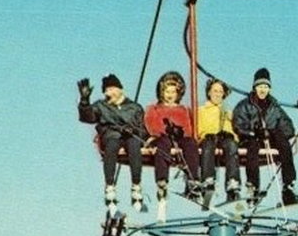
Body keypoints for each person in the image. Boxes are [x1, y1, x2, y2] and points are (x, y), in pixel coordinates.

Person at [77, 74, 149, 212]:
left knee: (134, 146)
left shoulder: (134, 108)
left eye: (111, 89)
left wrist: (134, 130)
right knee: (112, 146)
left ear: (120, 89)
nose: (108, 93)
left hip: (130, 135)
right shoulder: (101, 106)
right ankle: (109, 186)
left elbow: (143, 130)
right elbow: (87, 117)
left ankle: (136, 186)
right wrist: (84, 101)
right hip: (112, 134)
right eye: (106, 91)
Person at [232, 67, 298, 205]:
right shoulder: (245, 105)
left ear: (269, 88)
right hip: (252, 139)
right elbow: (238, 124)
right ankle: (253, 185)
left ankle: (288, 185)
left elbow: (288, 126)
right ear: (254, 87)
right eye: (259, 86)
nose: (262, 90)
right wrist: (253, 131)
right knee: (252, 147)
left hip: (270, 139)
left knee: (283, 142)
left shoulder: (274, 107)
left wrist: (272, 132)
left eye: (265, 87)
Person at [144, 71, 202, 215]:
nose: (169, 95)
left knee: (190, 143)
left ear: (178, 93)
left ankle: (193, 180)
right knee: (162, 145)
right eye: (166, 91)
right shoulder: (155, 109)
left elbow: (188, 128)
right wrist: (160, 132)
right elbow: (151, 124)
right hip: (163, 137)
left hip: (179, 138)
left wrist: (180, 132)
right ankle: (162, 180)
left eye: (173, 92)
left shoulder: (183, 110)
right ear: (161, 92)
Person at [197, 77, 241, 199]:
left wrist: (232, 135)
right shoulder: (202, 110)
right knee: (208, 145)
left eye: (220, 92)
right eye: (215, 91)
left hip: (224, 137)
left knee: (231, 146)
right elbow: (198, 127)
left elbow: (234, 129)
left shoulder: (227, 111)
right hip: (209, 137)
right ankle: (208, 178)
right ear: (209, 92)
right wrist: (203, 134)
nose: (217, 94)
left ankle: (232, 181)